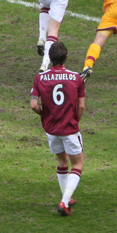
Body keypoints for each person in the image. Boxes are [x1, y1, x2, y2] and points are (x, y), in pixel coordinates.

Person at [29, 41, 85, 216]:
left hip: (51, 129)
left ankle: (66, 197)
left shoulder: (39, 78)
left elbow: (33, 105)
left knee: (62, 161)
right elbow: (81, 106)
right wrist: (74, 120)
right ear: (66, 57)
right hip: (69, 128)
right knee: (78, 163)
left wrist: (44, 115)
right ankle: (64, 201)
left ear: (50, 59)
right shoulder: (76, 78)